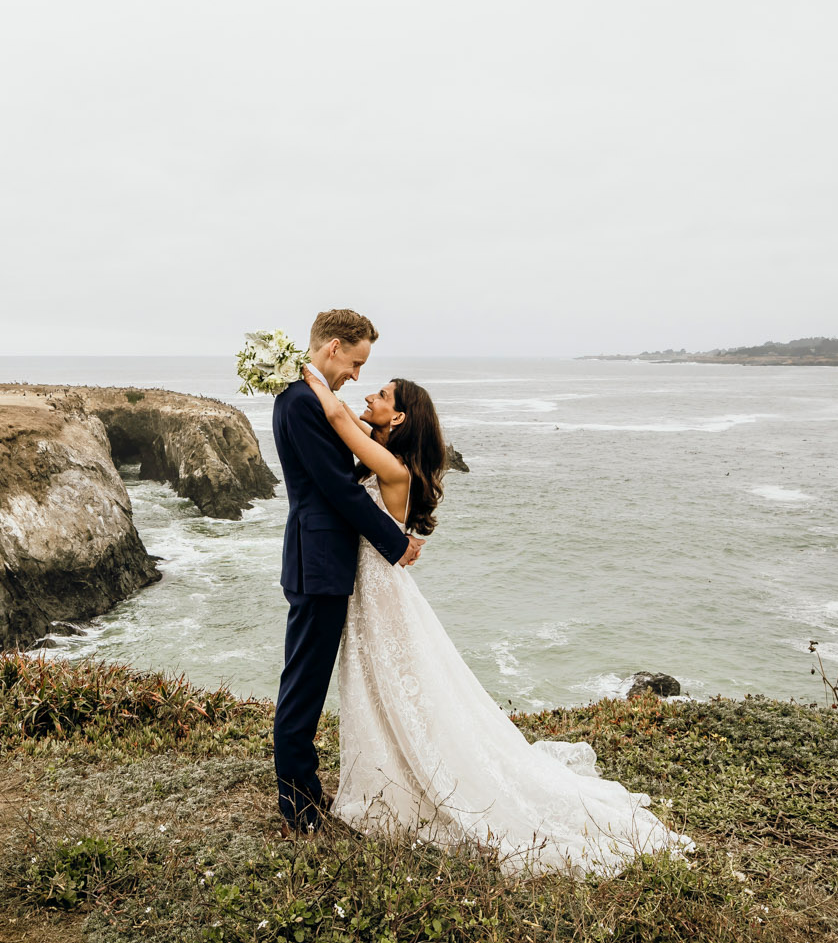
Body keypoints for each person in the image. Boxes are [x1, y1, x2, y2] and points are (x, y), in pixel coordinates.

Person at [297, 354, 694, 877]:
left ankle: (414, 780)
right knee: (379, 689)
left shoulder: (392, 468)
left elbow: (338, 420)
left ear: (398, 420)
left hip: (381, 597)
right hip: (370, 592)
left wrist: (305, 372)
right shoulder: (381, 462)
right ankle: (389, 772)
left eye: (383, 396)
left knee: (399, 688)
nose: (369, 395)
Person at [269, 308, 421, 834]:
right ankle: (299, 808)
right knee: (304, 687)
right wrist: (394, 541)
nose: (357, 376)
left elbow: (351, 455)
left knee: (306, 682)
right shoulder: (301, 403)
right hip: (319, 563)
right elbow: (337, 488)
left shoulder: (313, 398)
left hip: (323, 560)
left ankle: (306, 796)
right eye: (356, 363)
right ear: (333, 347)